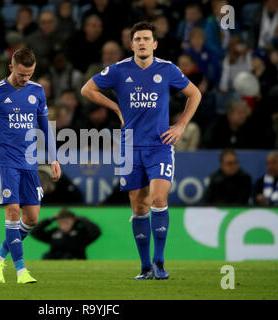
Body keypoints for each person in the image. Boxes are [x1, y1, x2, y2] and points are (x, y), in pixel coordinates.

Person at [81, 22, 201, 280]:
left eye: (147, 38)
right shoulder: (119, 70)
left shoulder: (167, 69)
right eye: (138, 39)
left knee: (158, 199)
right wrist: (115, 108)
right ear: (131, 43)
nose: (142, 42)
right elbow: (87, 89)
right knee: (138, 208)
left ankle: (159, 261)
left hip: (159, 145)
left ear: (155, 44)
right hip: (129, 147)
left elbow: (195, 94)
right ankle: (145, 267)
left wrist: (180, 126)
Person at [0, 48, 61, 284]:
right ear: (11, 68)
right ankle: (21, 270)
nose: (25, 78)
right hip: (5, 162)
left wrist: (54, 157)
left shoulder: (37, 91)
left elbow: (44, 126)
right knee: (13, 212)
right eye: (21, 74)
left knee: (32, 218)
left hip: (30, 163)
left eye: (29, 74)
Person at [31, 208, 101, 259]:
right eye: (61, 223)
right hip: (56, 258)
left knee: (67, 257)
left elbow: (96, 232)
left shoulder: (80, 233)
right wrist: (50, 219)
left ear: (73, 221)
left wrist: (81, 219)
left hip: (75, 258)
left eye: (67, 222)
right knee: (46, 256)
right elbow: (35, 232)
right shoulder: (54, 233)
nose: (64, 225)